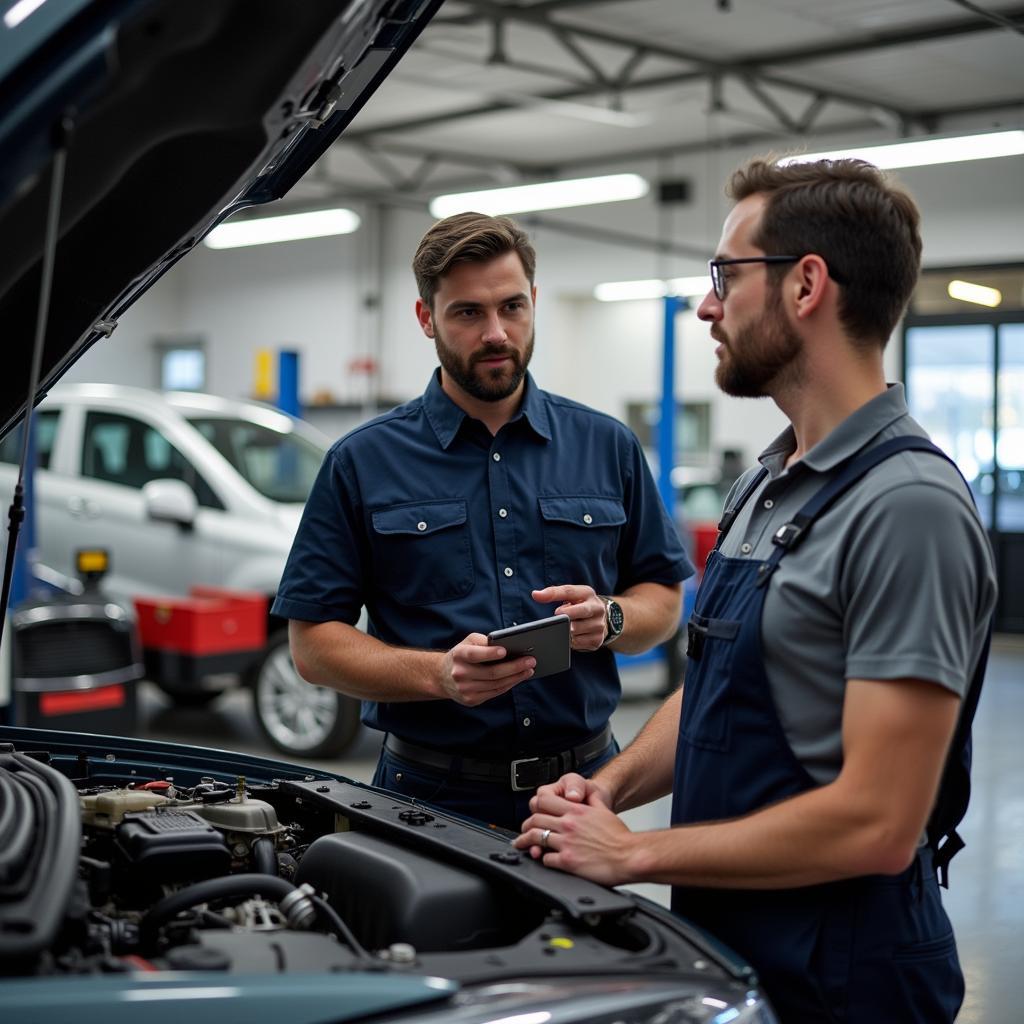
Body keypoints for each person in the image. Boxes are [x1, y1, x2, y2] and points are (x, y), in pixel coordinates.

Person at [514, 157, 997, 1023]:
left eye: (725, 276)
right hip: (734, 936)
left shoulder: (906, 507)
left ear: (807, 284)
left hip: (847, 969)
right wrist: (609, 792)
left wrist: (632, 855)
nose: (707, 306)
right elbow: (714, 693)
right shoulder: (769, 483)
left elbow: (879, 824)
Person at [272, 212, 692, 831]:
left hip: (582, 789)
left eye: (512, 307)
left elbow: (662, 598)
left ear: (534, 302)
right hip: (427, 798)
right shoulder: (363, 462)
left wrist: (612, 618)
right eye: (468, 312)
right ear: (426, 319)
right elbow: (313, 646)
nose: (497, 332)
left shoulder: (607, 446)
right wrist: (438, 674)